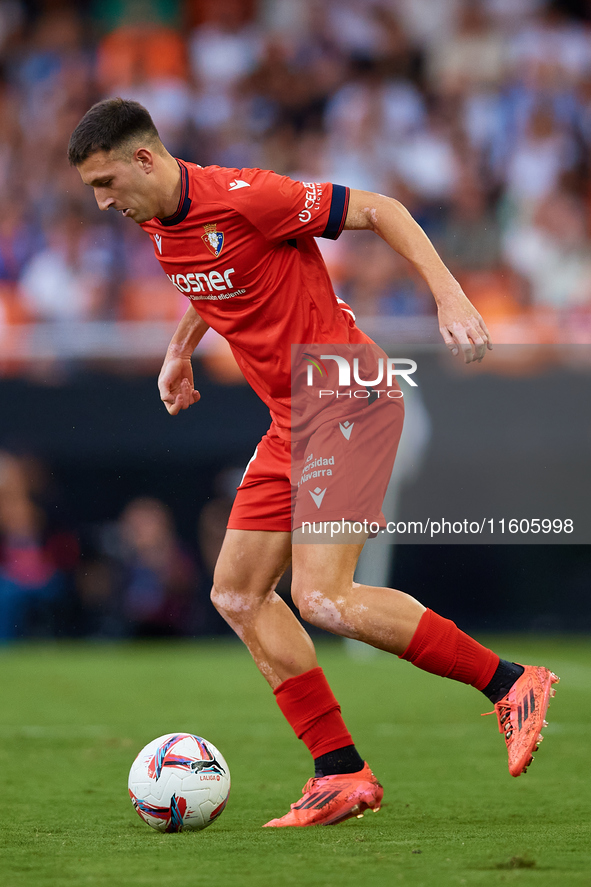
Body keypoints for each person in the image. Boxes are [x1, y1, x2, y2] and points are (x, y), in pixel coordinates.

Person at [68, 99, 558, 828]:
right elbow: (213, 273)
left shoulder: (248, 195)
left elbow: (382, 209)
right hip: (292, 418)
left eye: (106, 180)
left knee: (323, 596)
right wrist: (179, 349)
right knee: (234, 593)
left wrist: (448, 295)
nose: (103, 200)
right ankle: (340, 771)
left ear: (145, 159)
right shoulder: (153, 219)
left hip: (346, 395)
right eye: (92, 189)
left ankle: (511, 682)